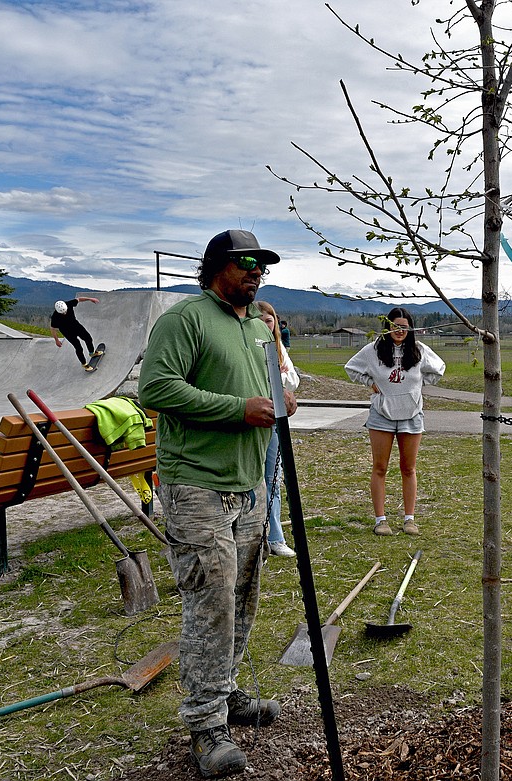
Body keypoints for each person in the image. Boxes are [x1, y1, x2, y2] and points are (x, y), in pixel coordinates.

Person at [138, 229, 297, 779]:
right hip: (197, 487)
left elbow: (264, 393)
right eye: (245, 263)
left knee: (243, 597)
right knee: (210, 604)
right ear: (216, 267)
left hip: (248, 485)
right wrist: (238, 409)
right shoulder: (186, 319)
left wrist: (280, 400)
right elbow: (155, 389)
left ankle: (226, 695)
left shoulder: (255, 325)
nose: (256, 271)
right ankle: (205, 726)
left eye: (262, 266)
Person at [344, 306, 445, 536]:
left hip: (412, 415)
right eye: (395, 326)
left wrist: (418, 387)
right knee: (380, 467)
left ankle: (409, 519)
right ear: (388, 327)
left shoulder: (419, 350)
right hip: (382, 416)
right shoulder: (373, 350)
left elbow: (438, 370)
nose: (400, 331)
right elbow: (351, 368)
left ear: (410, 329)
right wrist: (369, 383)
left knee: (408, 468)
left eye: (404, 327)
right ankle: (381, 520)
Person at [255, 300, 299, 558]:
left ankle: (275, 537)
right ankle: (254, 538)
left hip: (273, 419)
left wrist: (282, 375)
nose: (265, 324)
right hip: (250, 417)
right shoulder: (248, 346)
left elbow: (293, 381)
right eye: (259, 320)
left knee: (273, 477)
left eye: (269, 320)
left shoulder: (279, 348)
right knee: (252, 478)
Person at [50, 296, 101, 370]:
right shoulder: (55, 317)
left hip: (76, 325)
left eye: (65, 311)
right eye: (62, 313)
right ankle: (84, 364)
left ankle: (92, 353)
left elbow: (79, 299)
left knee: (88, 338)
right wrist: (56, 340)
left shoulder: (69, 304)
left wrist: (90, 299)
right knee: (78, 347)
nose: (64, 313)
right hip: (67, 332)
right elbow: (52, 329)